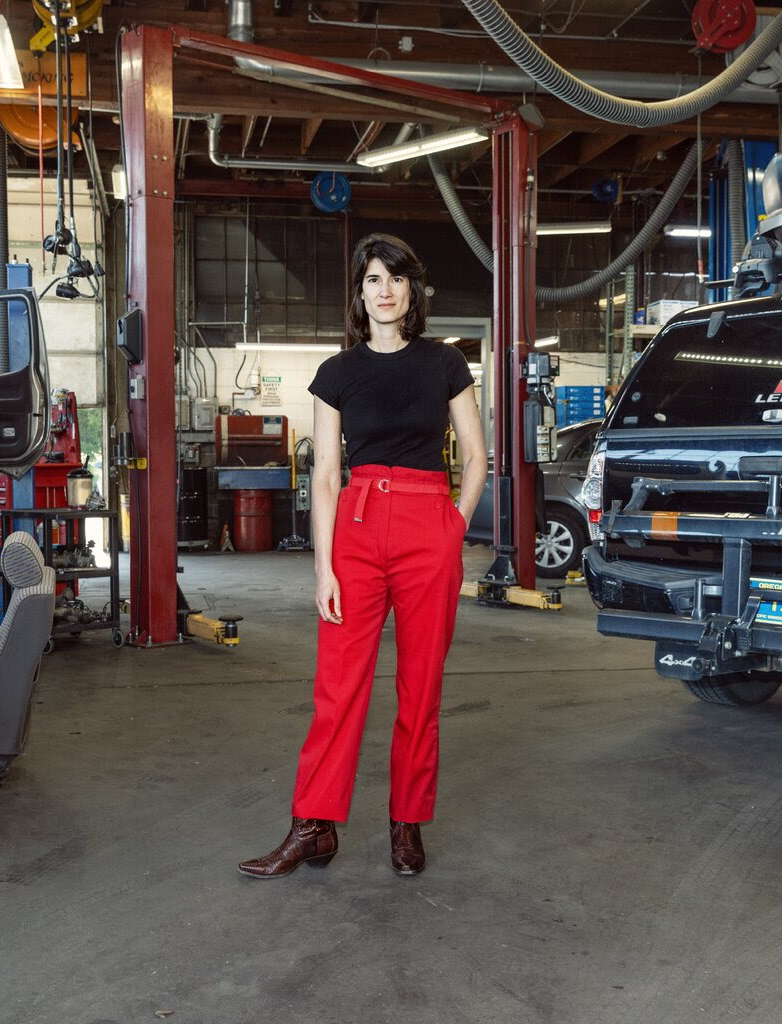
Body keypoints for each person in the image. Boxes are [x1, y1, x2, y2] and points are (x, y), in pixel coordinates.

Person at [238, 233, 486, 878]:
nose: (383, 289)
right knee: (337, 689)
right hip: (357, 527)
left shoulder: (445, 364)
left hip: (428, 524)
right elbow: (324, 474)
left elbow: (477, 457)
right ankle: (313, 826)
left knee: (420, 689)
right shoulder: (336, 374)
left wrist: (451, 527)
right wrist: (323, 568)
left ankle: (407, 824)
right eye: (372, 278)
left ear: (412, 290)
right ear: (359, 293)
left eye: (395, 278)